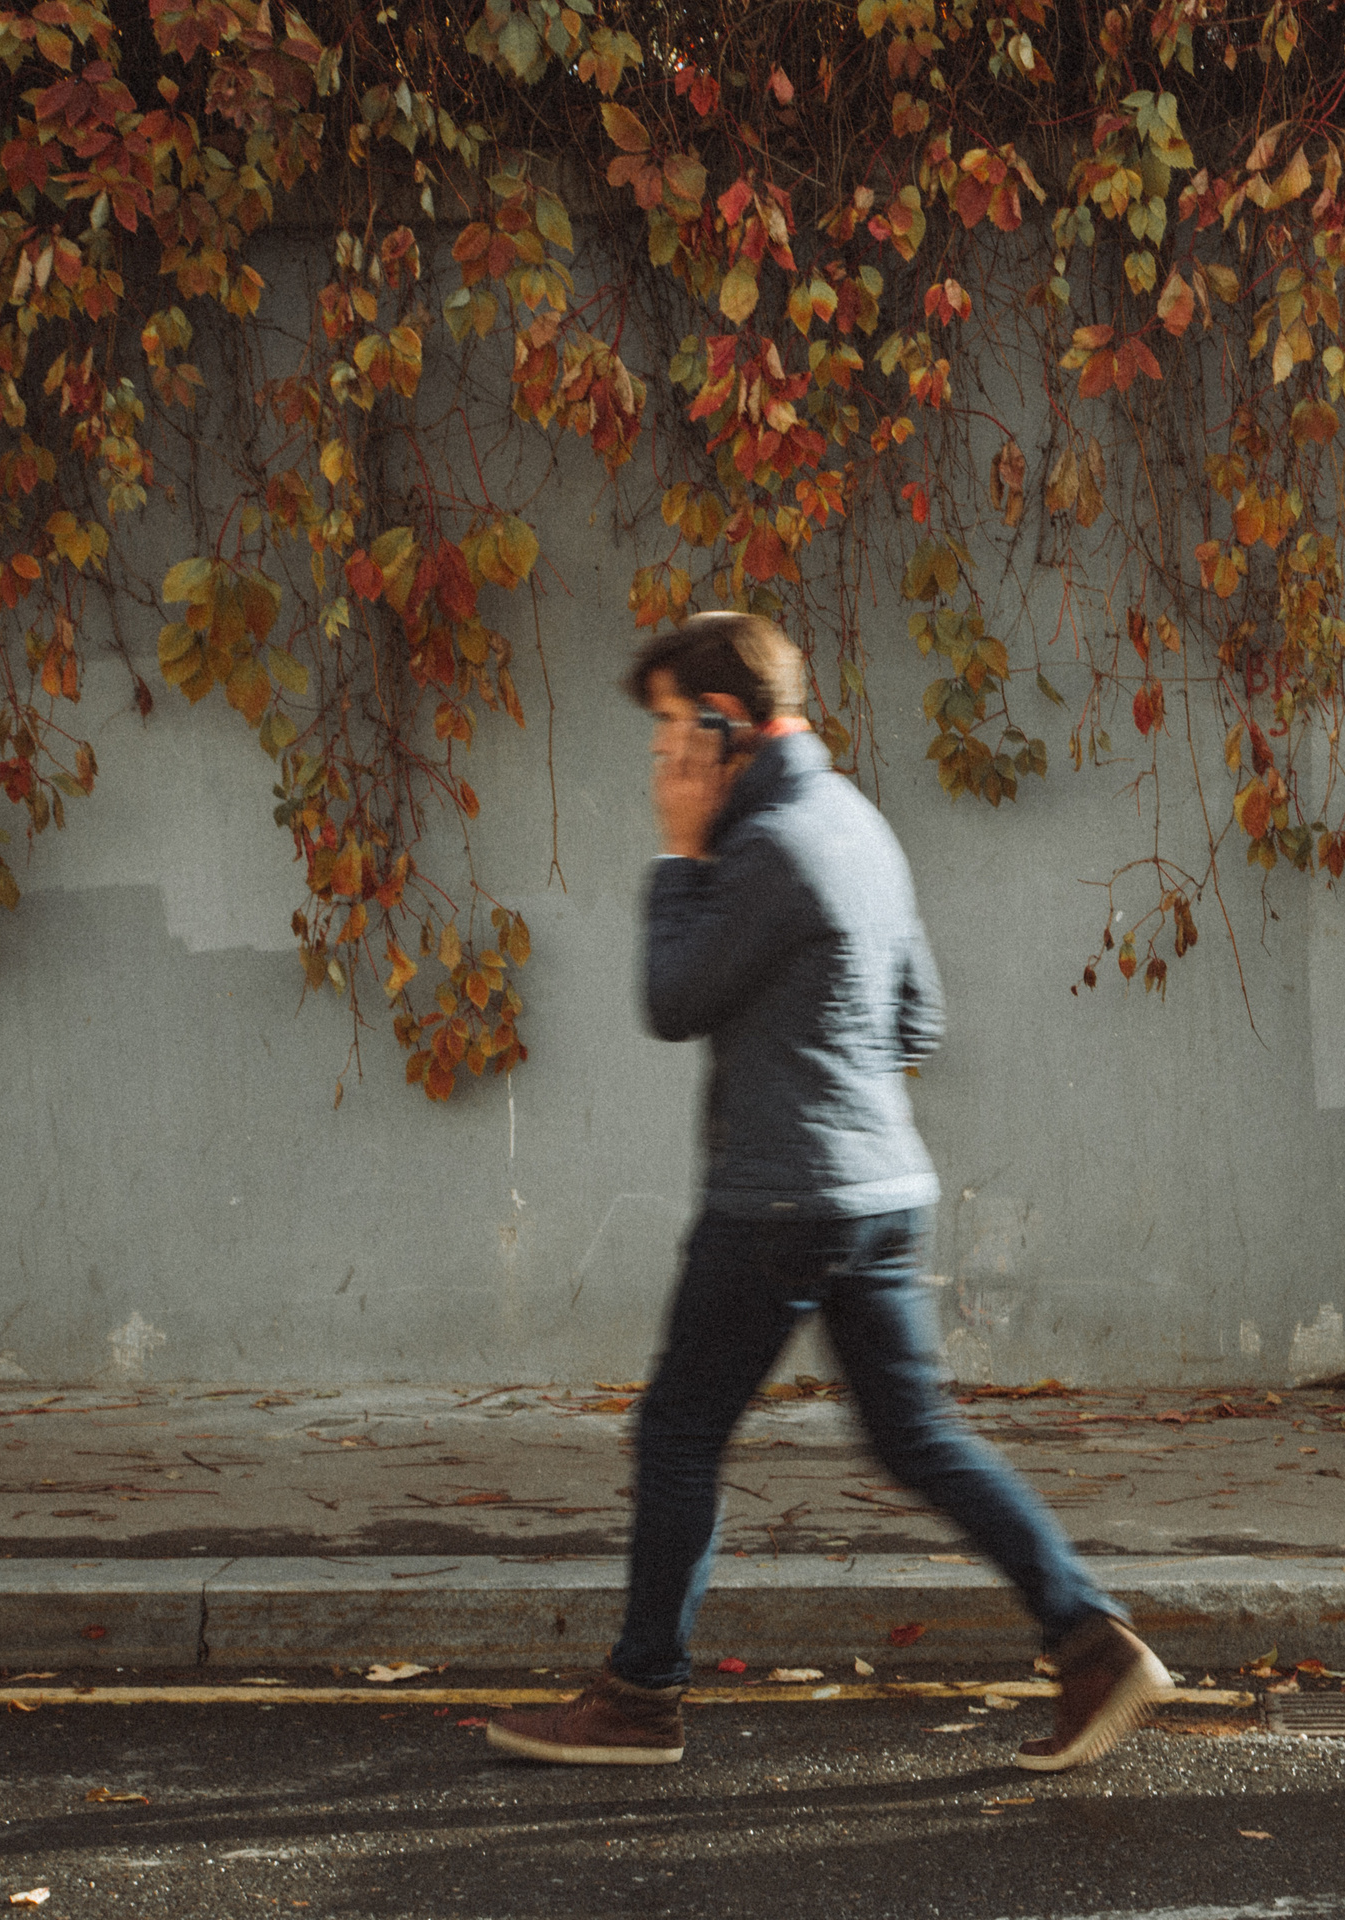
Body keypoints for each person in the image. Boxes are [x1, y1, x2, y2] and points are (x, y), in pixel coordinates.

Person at [488, 610, 1170, 1771]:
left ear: (722, 724)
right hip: (881, 1190)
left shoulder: (763, 847)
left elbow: (671, 1001)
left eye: (668, 727)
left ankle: (639, 1698)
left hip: (779, 1203)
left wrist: (678, 854)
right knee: (915, 1436)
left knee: (679, 1432)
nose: (658, 754)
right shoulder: (857, 821)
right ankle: (1092, 1643)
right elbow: (918, 1019)